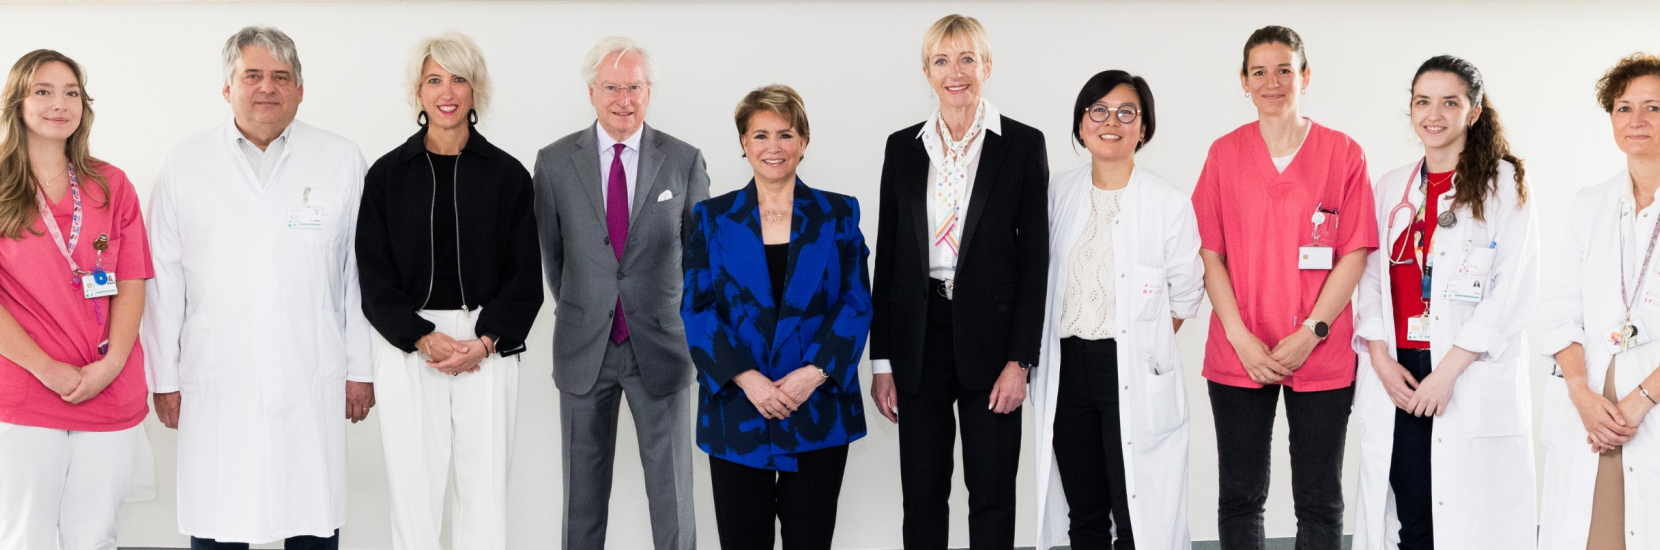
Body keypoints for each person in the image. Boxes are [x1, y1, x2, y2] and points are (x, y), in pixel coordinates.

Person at [143, 26, 374, 549]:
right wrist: (164, 377)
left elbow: (358, 276)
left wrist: (361, 370)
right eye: (252, 75)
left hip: (309, 364)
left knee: (310, 510)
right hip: (216, 370)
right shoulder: (184, 162)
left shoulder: (339, 158)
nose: (267, 87)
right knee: (221, 512)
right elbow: (164, 282)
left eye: (281, 77)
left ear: (300, 90)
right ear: (227, 88)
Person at [1189, 25, 1377, 548]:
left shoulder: (1343, 153)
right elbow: (1209, 252)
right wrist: (1239, 338)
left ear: (1305, 76)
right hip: (1239, 350)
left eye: (1284, 70)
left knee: (1319, 500)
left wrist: (1312, 331)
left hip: (1319, 350)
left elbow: (1355, 251)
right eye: (1259, 72)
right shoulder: (1224, 154)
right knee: (1240, 495)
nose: (1272, 82)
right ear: (1244, 81)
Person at [868, 14, 1049, 550]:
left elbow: (1036, 261)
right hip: (918, 335)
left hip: (993, 341)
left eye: (967, 59)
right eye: (942, 60)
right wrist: (882, 361)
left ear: (987, 67)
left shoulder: (1022, 145)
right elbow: (889, 258)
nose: (956, 72)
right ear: (927, 72)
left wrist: (1021, 361)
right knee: (923, 493)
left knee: (992, 493)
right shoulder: (902, 147)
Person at [356, 32, 542, 549]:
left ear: (475, 89)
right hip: (408, 344)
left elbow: (525, 275)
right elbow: (374, 275)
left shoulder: (507, 175)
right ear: (418, 91)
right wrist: (419, 336)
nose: (447, 91)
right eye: (434, 79)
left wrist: (485, 341)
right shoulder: (387, 175)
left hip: (487, 344)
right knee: (413, 494)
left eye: (459, 79)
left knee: (484, 490)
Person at [1351, 55, 1537, 550]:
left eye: (1449, 103)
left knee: (1467, 518)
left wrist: (1448, 372)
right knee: (1413, 517)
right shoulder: (1391, 186)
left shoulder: (1503, 185)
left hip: (1463, 369)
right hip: (1401, 372)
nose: (1433, 115)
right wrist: (1379, 358)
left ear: (1473, 111)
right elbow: (1370, 279)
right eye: (1422, 102)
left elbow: (1510, 291)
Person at [532, 36, 708, 550]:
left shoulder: (683, 160)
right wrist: (592, 309)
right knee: (581, 501)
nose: (623, 99)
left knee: (673, 497)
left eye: (634, 87)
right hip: (585, 347)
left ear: (649, 92)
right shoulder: (554, 162)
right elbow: (554, 257)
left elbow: (700, 261)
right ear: (591, 92)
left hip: (662, 347)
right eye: (611, 87)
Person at [682, 84, 871, 550]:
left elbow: (856, 302)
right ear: (744, 143)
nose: (774, 147)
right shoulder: (711, 217)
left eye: (785, 134)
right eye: (760, 135)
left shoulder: (838, 213)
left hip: (817, 409)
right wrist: (749, 380)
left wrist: (813, 374)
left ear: (803, 142)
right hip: (737, 410)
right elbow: (697, 307)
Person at [1031, 70, 1202, 550]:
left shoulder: (1167, 202)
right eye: (1099, 111)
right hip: (1067, 367)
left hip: (1130, 368)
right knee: (1084, 509)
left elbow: (1185, 294)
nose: (1111, 122)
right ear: (1081, 124)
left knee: (1137, 512)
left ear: (1143, 128)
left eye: (1127, 113)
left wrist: (1136, 339)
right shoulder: (1056, 194)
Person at [0, 50, 152, 550]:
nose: (59, 104)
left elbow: (132, 279)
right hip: (25, 388)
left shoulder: (111, 184)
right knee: (25, 535)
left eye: (71, 93)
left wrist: (112, 366)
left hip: (107, 384)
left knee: (95, 535)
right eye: (43, 91)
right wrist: (46, 368)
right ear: (17, 102)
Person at [1540, 52, 1660, 550]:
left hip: (1645, 407)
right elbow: (1561, 308)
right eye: (1623, 107)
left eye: (1653, 107)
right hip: (1593, 413)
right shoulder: (1591, 203)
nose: (1636, 120)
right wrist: (1580, 393)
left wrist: (1642, 400)